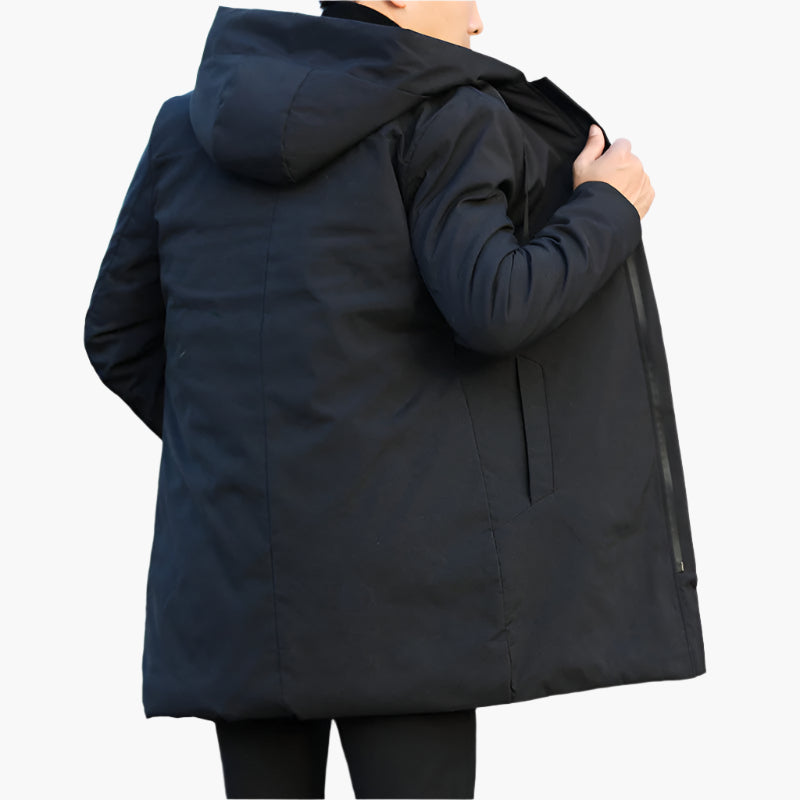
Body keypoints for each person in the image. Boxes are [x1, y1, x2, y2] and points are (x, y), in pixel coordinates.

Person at [83, 1, 705, 797]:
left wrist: (245, 447)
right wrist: (607, 209)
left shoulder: (187, 128)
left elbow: (118, 334)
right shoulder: (446, 115)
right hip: (405, 594)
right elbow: (495, 306)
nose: (478, 22)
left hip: (236, 580)